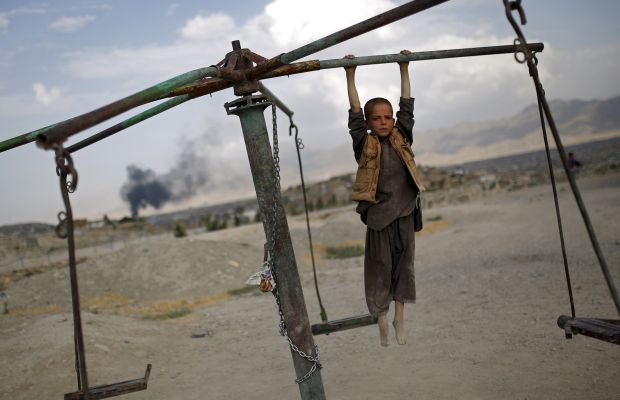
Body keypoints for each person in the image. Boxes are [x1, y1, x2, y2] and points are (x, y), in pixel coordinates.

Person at [344, 51, 425, 346]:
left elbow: (407, 106)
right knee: (380, 268)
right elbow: (354, 111)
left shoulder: (402, 135)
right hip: (379, 216)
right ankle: (381, 316)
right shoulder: (364, 143)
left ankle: (399, 318)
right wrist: (350, 73)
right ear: (368, 123)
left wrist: (404, 67)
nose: (384, 122)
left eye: (387, 117)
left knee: (404, 267)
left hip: (405, 211)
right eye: (377, 118)